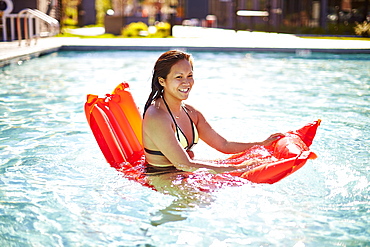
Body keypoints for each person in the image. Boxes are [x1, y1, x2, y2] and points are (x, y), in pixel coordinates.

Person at [142, 50, 283, 175]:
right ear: (162, 81)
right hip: (162, 176)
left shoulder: (191, 113)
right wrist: (238, 168)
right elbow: (183, 164)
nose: (186, 82)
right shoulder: (157, 116)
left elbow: (224, 145)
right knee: (203, 201)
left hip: (185, 172)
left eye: (189, 75)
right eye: (179, 77)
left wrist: (262, 144)